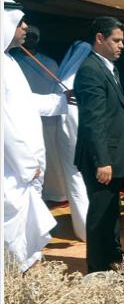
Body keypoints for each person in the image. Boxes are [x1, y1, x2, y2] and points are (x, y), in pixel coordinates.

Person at [3, 0, 70, 271]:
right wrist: (27, 165)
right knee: (11, 226)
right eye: (20, 23)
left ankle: (28, 273)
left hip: (25, 169)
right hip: (12, 169)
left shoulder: (7, 61)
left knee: (26, 230)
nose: (26, 28)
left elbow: (25, 102)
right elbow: (4, 122)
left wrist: (63, 101)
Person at [74, 16, 124, 273]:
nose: (121, 45)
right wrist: (103, 161)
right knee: (100, 216)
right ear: (100, 38)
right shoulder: (91, 70)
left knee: (111, 213)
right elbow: (93, 122)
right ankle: (98, 270)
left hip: (113, 156)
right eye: (116, 40)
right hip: (102, 159)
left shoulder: (109, 67)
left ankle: (113, 258)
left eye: (122, 41)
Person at [13, 25, 67, 203]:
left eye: (33, 37)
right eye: (27, 36)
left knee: (50, 154)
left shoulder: (49, 63)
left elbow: (57, 89)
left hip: (48, 117)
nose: (30, 39)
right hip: (19, 117)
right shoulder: (11, 61)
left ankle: (54, 193)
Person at [52, 40, 93, 242]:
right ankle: (86, 229)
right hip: (77, 142)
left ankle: (85, 228)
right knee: (79, 183)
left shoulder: (63, 79)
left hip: (71, 141)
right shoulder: (73, 81)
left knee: (78, 183)